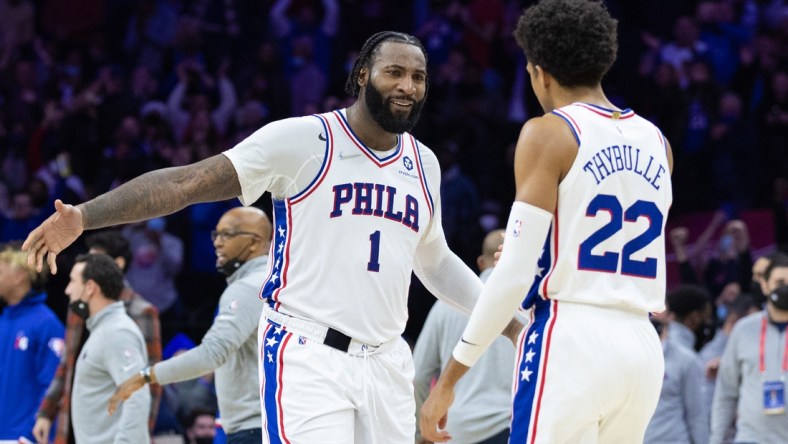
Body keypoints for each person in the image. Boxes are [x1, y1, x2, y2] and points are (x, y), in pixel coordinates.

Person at [23, 31, 517, 443]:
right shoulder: (304, 140)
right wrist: (85, 216)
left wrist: (511, 324)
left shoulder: (424, 163)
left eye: (418, 76)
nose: (407, 85)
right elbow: (185, 183)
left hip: (388, 359)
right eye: (395, 72)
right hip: (309, 352)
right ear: (363, 74)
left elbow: (435, 263)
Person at [420, 0, 674, 442]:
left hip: (571, 337)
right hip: (641, 344)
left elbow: (513, 274)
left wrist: (451, 378)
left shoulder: (549, 131)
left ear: (539, 71)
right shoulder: (658, 142)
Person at [109, 207, 272, 443]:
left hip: (253, 427)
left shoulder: (246, 288)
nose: (217, 243)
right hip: (265, 421)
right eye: (216, 235)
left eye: (227, 235)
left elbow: (211, 354)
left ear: (255, 242)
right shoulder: (269, 282)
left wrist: (145, 376)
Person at [33, 230, 162, 444]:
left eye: (96, 259)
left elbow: (145, 388)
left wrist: (135, 437)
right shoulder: (85, 312)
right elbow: (67, 364)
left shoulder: (128, 321)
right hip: (81, 424)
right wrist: (47, 412)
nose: (67, 290)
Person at [414, 228, 517, 444]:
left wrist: (421, 432)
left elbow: (420, 375)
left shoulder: (445, 305)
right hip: (510, 427)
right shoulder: (527, 304)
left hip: (455, 432)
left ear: (481, 262)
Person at [64, 253, 150, 443]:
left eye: (72, 282)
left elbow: (137, 396)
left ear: (90, 288)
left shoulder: (117, 333)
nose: (67, 290)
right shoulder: (104, 330)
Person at [710, 252, 788, 444]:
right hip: (751, 438)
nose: (785, 287)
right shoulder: (744, 330)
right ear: (765, 285)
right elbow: (725, 394)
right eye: (779, 282)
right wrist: (716, 440)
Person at [0, 243, 64, 443]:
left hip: (25, 437)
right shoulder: (4, 320)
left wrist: (29, 434)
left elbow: (53, 383)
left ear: (19, 276)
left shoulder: (46, 323)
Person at [643, 317, 708, 444]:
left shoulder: (687, 361)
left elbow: (696, 414)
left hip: (673, 439)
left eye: (659, 326)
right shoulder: (625, 359)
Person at [665, 284, 713, 351]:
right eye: (706, 317)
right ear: (695, 316)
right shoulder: (689, 357)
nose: (708, 322)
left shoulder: (662, 339)